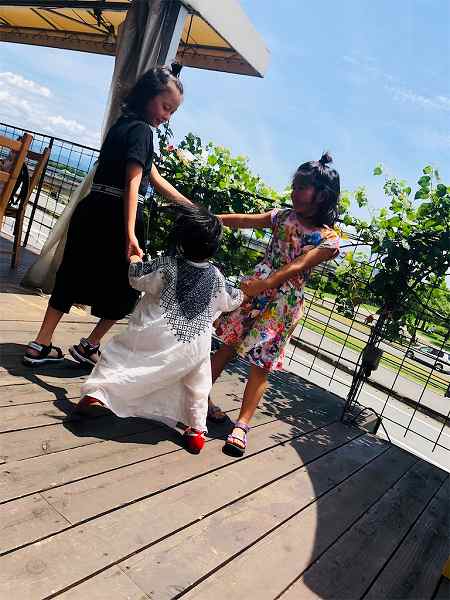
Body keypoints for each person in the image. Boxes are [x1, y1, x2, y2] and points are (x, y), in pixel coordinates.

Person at [23, 66, 191, 367]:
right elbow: (133, 182)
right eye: (166, 107)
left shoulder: (123, 125)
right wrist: (129, 232)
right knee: (127, 288)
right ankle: (90, 345)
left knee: (71, 275)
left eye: (172, 112)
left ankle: (40, 344)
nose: (167, 116)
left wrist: (190, 206)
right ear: (148, 96)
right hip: (116, 218)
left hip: (91, 210)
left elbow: (153, 177)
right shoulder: (142, 132)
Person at [77, 205, 244, 454]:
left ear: (181, 240)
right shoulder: (217, 277)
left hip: (155, 333)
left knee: (121, 355)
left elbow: (136, 277)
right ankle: (196, 430)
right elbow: (231, 300)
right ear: (213, 246)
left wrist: (134, 258)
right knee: (197, 383)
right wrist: (247, 291)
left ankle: (100, 393)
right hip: (194, 345)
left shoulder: (167, 265)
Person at [213, 152, 341, 456]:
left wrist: (265, 284)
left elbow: (299, 266)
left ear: (321, 196)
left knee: (261, 364)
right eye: (294, 186)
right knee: (227, 344)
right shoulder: (282, 217)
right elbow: (245, 219)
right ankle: (196, 399)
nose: (294, 192)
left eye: (301, 188)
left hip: (282, 303)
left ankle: (242, 425)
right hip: (256, 289)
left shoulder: (328, 239)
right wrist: (212, 219)